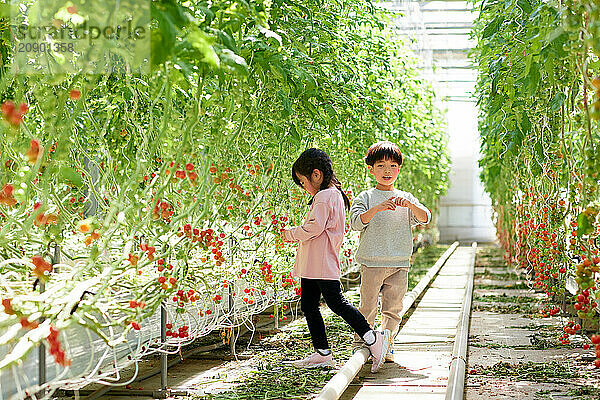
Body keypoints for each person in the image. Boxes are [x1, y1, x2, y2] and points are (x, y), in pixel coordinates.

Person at [280, 148, 390, 373]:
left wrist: (289, 233)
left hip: (319, 262)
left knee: (336, 302)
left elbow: (314, 227)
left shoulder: (324, 196)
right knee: (310, 306)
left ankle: (372, 337)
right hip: (316, 262)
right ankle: (322, 352)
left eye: (303, 182)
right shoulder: (334, 194)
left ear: (316, 175)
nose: (304, 187)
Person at [349, 141, 431, 362]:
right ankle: (361, 343)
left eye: (393, 166)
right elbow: (356, 222)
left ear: (399, 169)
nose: (387, 171)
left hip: (399, 262)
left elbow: (425, 217)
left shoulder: (406, 198)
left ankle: (387, 343)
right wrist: (377, 209)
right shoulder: (365, 198)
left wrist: (411, 206)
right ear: (371, 168)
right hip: (372, 262)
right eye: (381, 165)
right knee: (367, 305)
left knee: (393, 307)